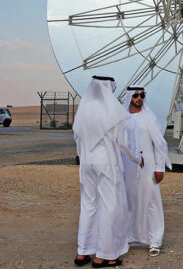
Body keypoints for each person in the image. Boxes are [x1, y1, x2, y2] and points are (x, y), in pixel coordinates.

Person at [73, 76, 143, 268]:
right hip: (106, 164)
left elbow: (77, 137)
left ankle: (83, 251)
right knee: (110, 206)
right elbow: (124, 144)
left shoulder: (83, 109)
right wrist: (138, 158)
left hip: (86, 164)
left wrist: (84, 157)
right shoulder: (114, 109)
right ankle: (105, 255)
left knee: (88, 205)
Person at [121, 86, 171, 257]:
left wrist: (159, 167)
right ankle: (130, 237)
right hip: (127, 168)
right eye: (135, 95)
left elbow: (159, 144)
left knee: (152, 202)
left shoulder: (149, 117)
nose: (139, 98)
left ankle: (155, 240)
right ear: (130, 97)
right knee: (129, 201)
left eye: (142, 95)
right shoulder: (122, 119)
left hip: (148, 167)